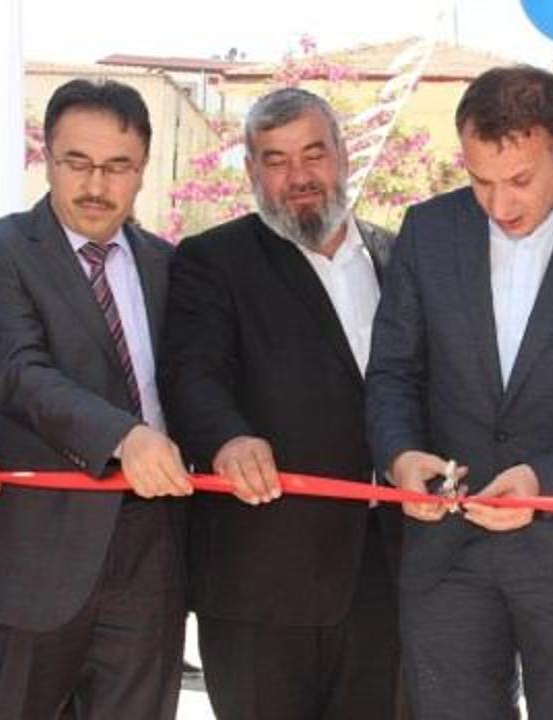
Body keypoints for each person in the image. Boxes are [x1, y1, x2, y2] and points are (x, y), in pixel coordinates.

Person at [366, 65, 553, 718]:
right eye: (480, 181)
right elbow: (393, 372)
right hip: (447, 556)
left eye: (520, 181)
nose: (499, 205)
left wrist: (543, 479)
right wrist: (400, 456)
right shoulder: (428, 229)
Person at [161, 87, 402, 719]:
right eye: (276, 160)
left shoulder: (399, 257)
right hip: (261, 583)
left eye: (313, 154)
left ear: (343, 155)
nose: (299, 177)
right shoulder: (213, 261)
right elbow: (190, 375)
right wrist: (227, 438)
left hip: (385, 579)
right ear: (251, 171)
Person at [0, 78, 190, 719]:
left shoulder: (168, 264)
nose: (95, 185)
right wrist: (124, 437)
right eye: (77, 162)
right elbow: (17, 373)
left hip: (152, 552)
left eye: (118, 166)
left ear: (142, 169)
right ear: (46, 157)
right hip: (30, 559)